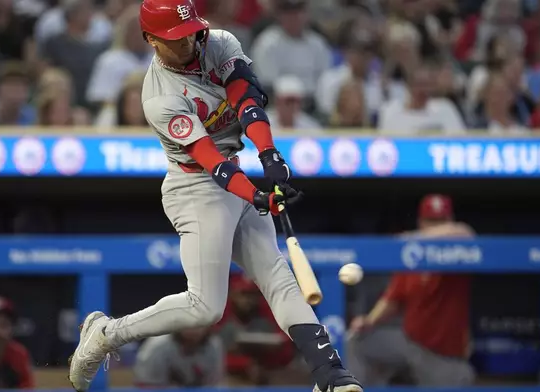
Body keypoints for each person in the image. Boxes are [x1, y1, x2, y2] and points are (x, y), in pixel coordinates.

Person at [67, 2, 362, 392]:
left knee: (278, 277)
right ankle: (106, 333)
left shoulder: (218, 42)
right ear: (151, 40)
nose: (187, 41)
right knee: (205, 307)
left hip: (234, 172)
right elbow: (210, 161)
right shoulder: (159, 96)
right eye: (175, 37)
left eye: (189, 30)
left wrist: (271, 157)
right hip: (196, 190)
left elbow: (246, 101)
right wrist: (254, 194)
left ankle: (330, 374)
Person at [348, 194, 475, 387]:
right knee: (355, 341)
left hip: (441, 353)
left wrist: (416, 237)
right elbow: (393, 298)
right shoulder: (411, 256)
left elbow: (466, 233)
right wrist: (369, 321)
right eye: (431, 222)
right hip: (409, 342)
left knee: (461, 378)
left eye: (440, 222)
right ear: (421, 222)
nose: (435, 228)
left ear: (449, 221)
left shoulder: (458, 252)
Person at [133, 326, 224, 387]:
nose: (193, 327)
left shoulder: (213, 345)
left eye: (200, 322)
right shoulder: (157, 346)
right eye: (188, 321)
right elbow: (145, 386)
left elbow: (214, 385)